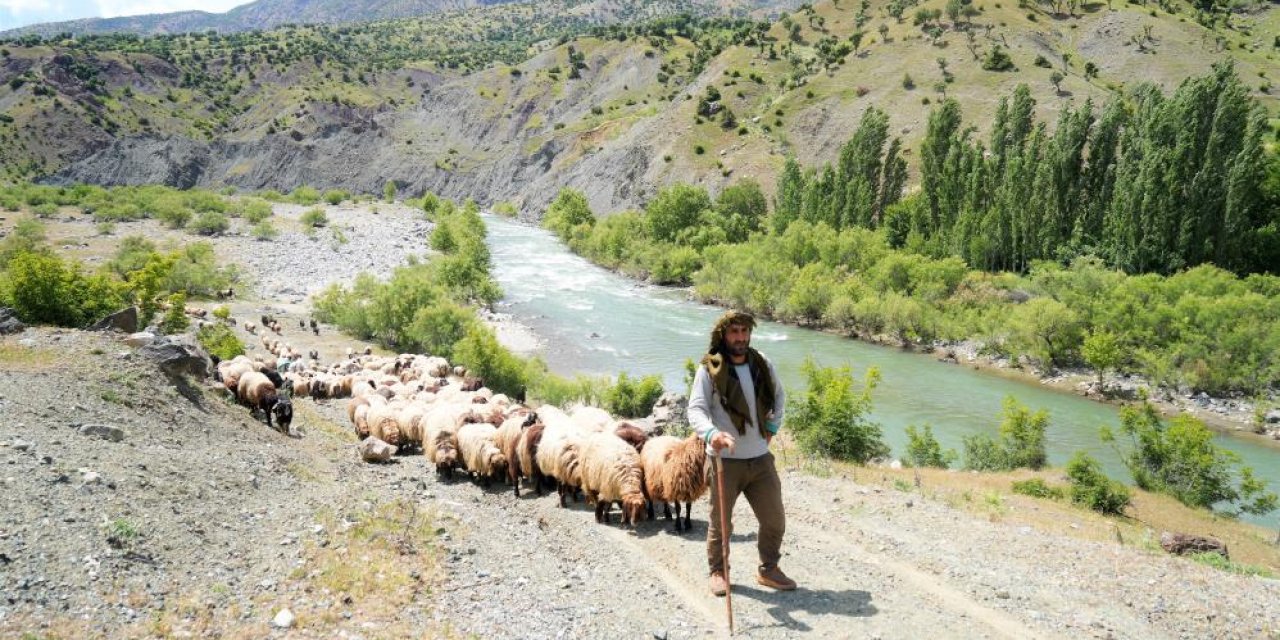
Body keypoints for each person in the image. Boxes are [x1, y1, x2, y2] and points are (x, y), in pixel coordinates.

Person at [689, 310, 796, 597]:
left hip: (760, 458)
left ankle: (768, 569)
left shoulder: (761, 363)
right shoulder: (710, 368)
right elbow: (696, 409)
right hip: (724, 461)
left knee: (774, 519)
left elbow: (779, 397)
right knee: (721, 523)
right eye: (734, 331)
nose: (740, 337)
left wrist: (772, 426)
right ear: (723, 334)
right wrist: (713, 434)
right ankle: (718, 572)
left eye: (744, 331)